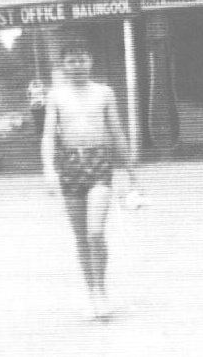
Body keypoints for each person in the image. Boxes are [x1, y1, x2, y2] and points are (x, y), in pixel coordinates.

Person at [41, 42, 134, 320]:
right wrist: (48, 170)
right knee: (81, 236)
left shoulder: (104, 92)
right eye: (71, 61)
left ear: (90, 62)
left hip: (98, 164)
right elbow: (48, 135)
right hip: (70, 165)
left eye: (82, 60)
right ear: (63, 66)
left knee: (95, 232)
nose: (77, 65)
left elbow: (116, 132)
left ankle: (102, 290)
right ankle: (92, 291)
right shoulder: (56, 96)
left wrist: (131, 171)